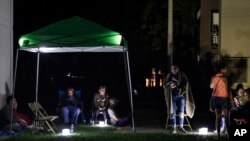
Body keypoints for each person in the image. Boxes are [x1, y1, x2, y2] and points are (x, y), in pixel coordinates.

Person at [164, 64, 195, 134]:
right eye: (172, 68)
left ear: (178, 69)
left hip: (181, 96)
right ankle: (174, 128)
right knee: (172, 112)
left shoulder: (182, 75)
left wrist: (179, 86)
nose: (174, 70)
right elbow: (165, 84)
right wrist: (170, 85)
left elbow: (187, 84)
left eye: (175, 68)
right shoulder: (169, 75)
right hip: (172, 96)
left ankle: (181, 127)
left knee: (181, 112)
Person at [210, 62, 232, 138]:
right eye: (226, 68)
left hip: (216, 98)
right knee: (226, 118)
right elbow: (228, 90)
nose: (227, 70)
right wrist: (231, 100)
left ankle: (218, 135)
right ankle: (229, 135)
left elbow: (211, 86)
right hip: (223, 99)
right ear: (222, 69)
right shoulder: (225, 78)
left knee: (218, 117)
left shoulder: (214, 77)